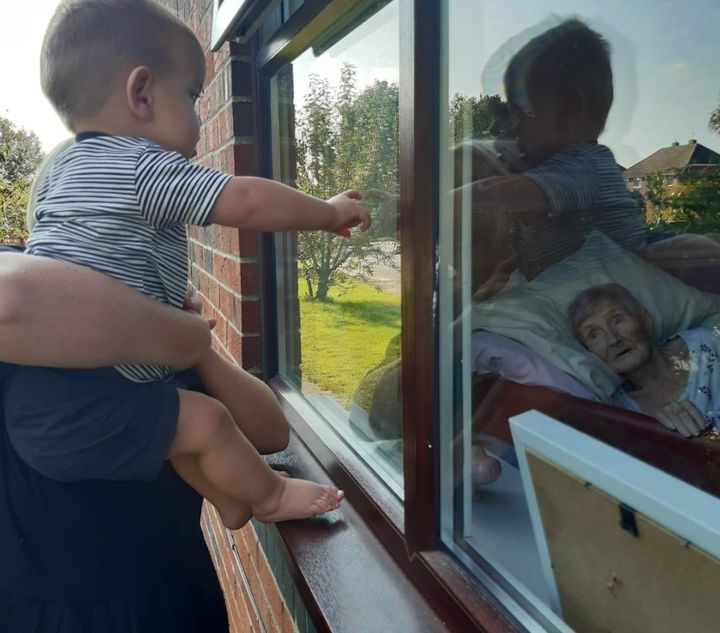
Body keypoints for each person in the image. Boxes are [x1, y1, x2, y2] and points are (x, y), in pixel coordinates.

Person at [4, 0, 372, 529]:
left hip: (48, 400)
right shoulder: (139, 164)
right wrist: (325, 211)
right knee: (205, 419)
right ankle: (267, 498)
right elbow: (244, 201)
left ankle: (229, 498)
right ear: (142, 93)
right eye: (193, 95)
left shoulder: (60, 181)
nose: (199, 115)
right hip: (83, 398)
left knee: (176, 427)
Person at [0, 249, 236, 632]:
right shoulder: (25, 332)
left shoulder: (158, 353)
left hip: (176, 595)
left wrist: (194, 344)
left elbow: (268, 431)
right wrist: (182, 333)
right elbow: (8, 294)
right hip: (46, 608)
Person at [465, 18, 645, 282]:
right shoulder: (561, 174)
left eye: (521, 110)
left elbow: (491, 200)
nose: (509, 127)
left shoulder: (586, 170)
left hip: (608, 312)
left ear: (569, 109)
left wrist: (415, 208)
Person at [568, 282, 716, 438]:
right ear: (590, 353)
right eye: (594, 334)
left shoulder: (706, 343)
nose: (613, 339)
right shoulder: (622, 414)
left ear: (645, 321)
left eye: (618, 320)